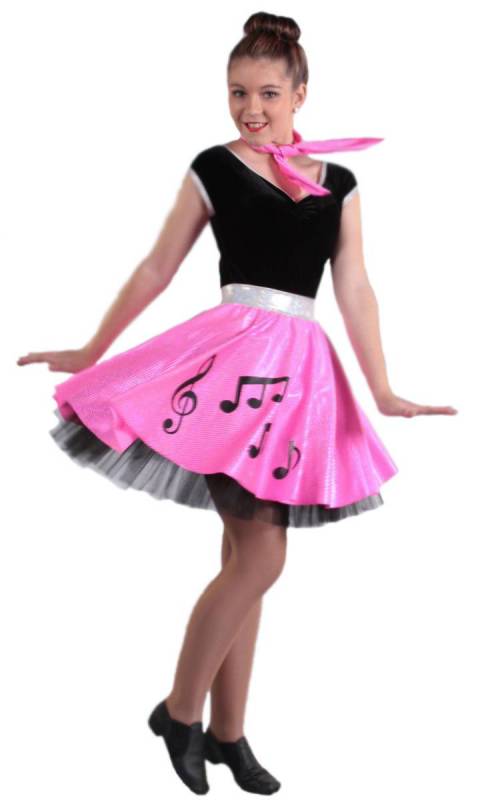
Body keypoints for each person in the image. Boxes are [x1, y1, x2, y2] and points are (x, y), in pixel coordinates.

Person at [16, 10, 458, 797]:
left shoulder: (340, 183)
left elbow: (355, 287)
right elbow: (157, 267)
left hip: (299, 379)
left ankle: (228, 734)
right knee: (262, 558)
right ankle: (179, 713)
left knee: (244, 561)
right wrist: (91, 349)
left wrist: (383, 388)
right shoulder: (213, 168)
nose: (251, 108)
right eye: (237, 93)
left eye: (267, 93)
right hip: (226, 371)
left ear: (300, 94)